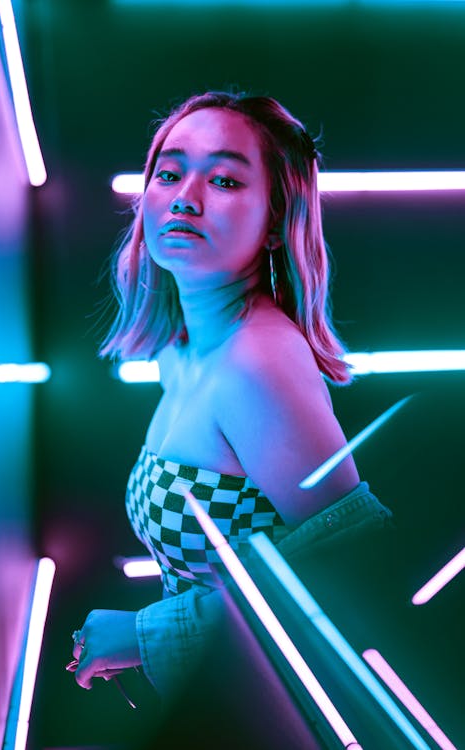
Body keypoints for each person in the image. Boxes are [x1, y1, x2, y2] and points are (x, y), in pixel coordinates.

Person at [69, 91, 392, 708]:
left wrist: (145, 634)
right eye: (169, 173)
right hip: (224, 702)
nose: (185, 196)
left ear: (275, 222)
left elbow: (356, 569)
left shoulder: (256, 361)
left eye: (222, 179)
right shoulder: (182, 350)